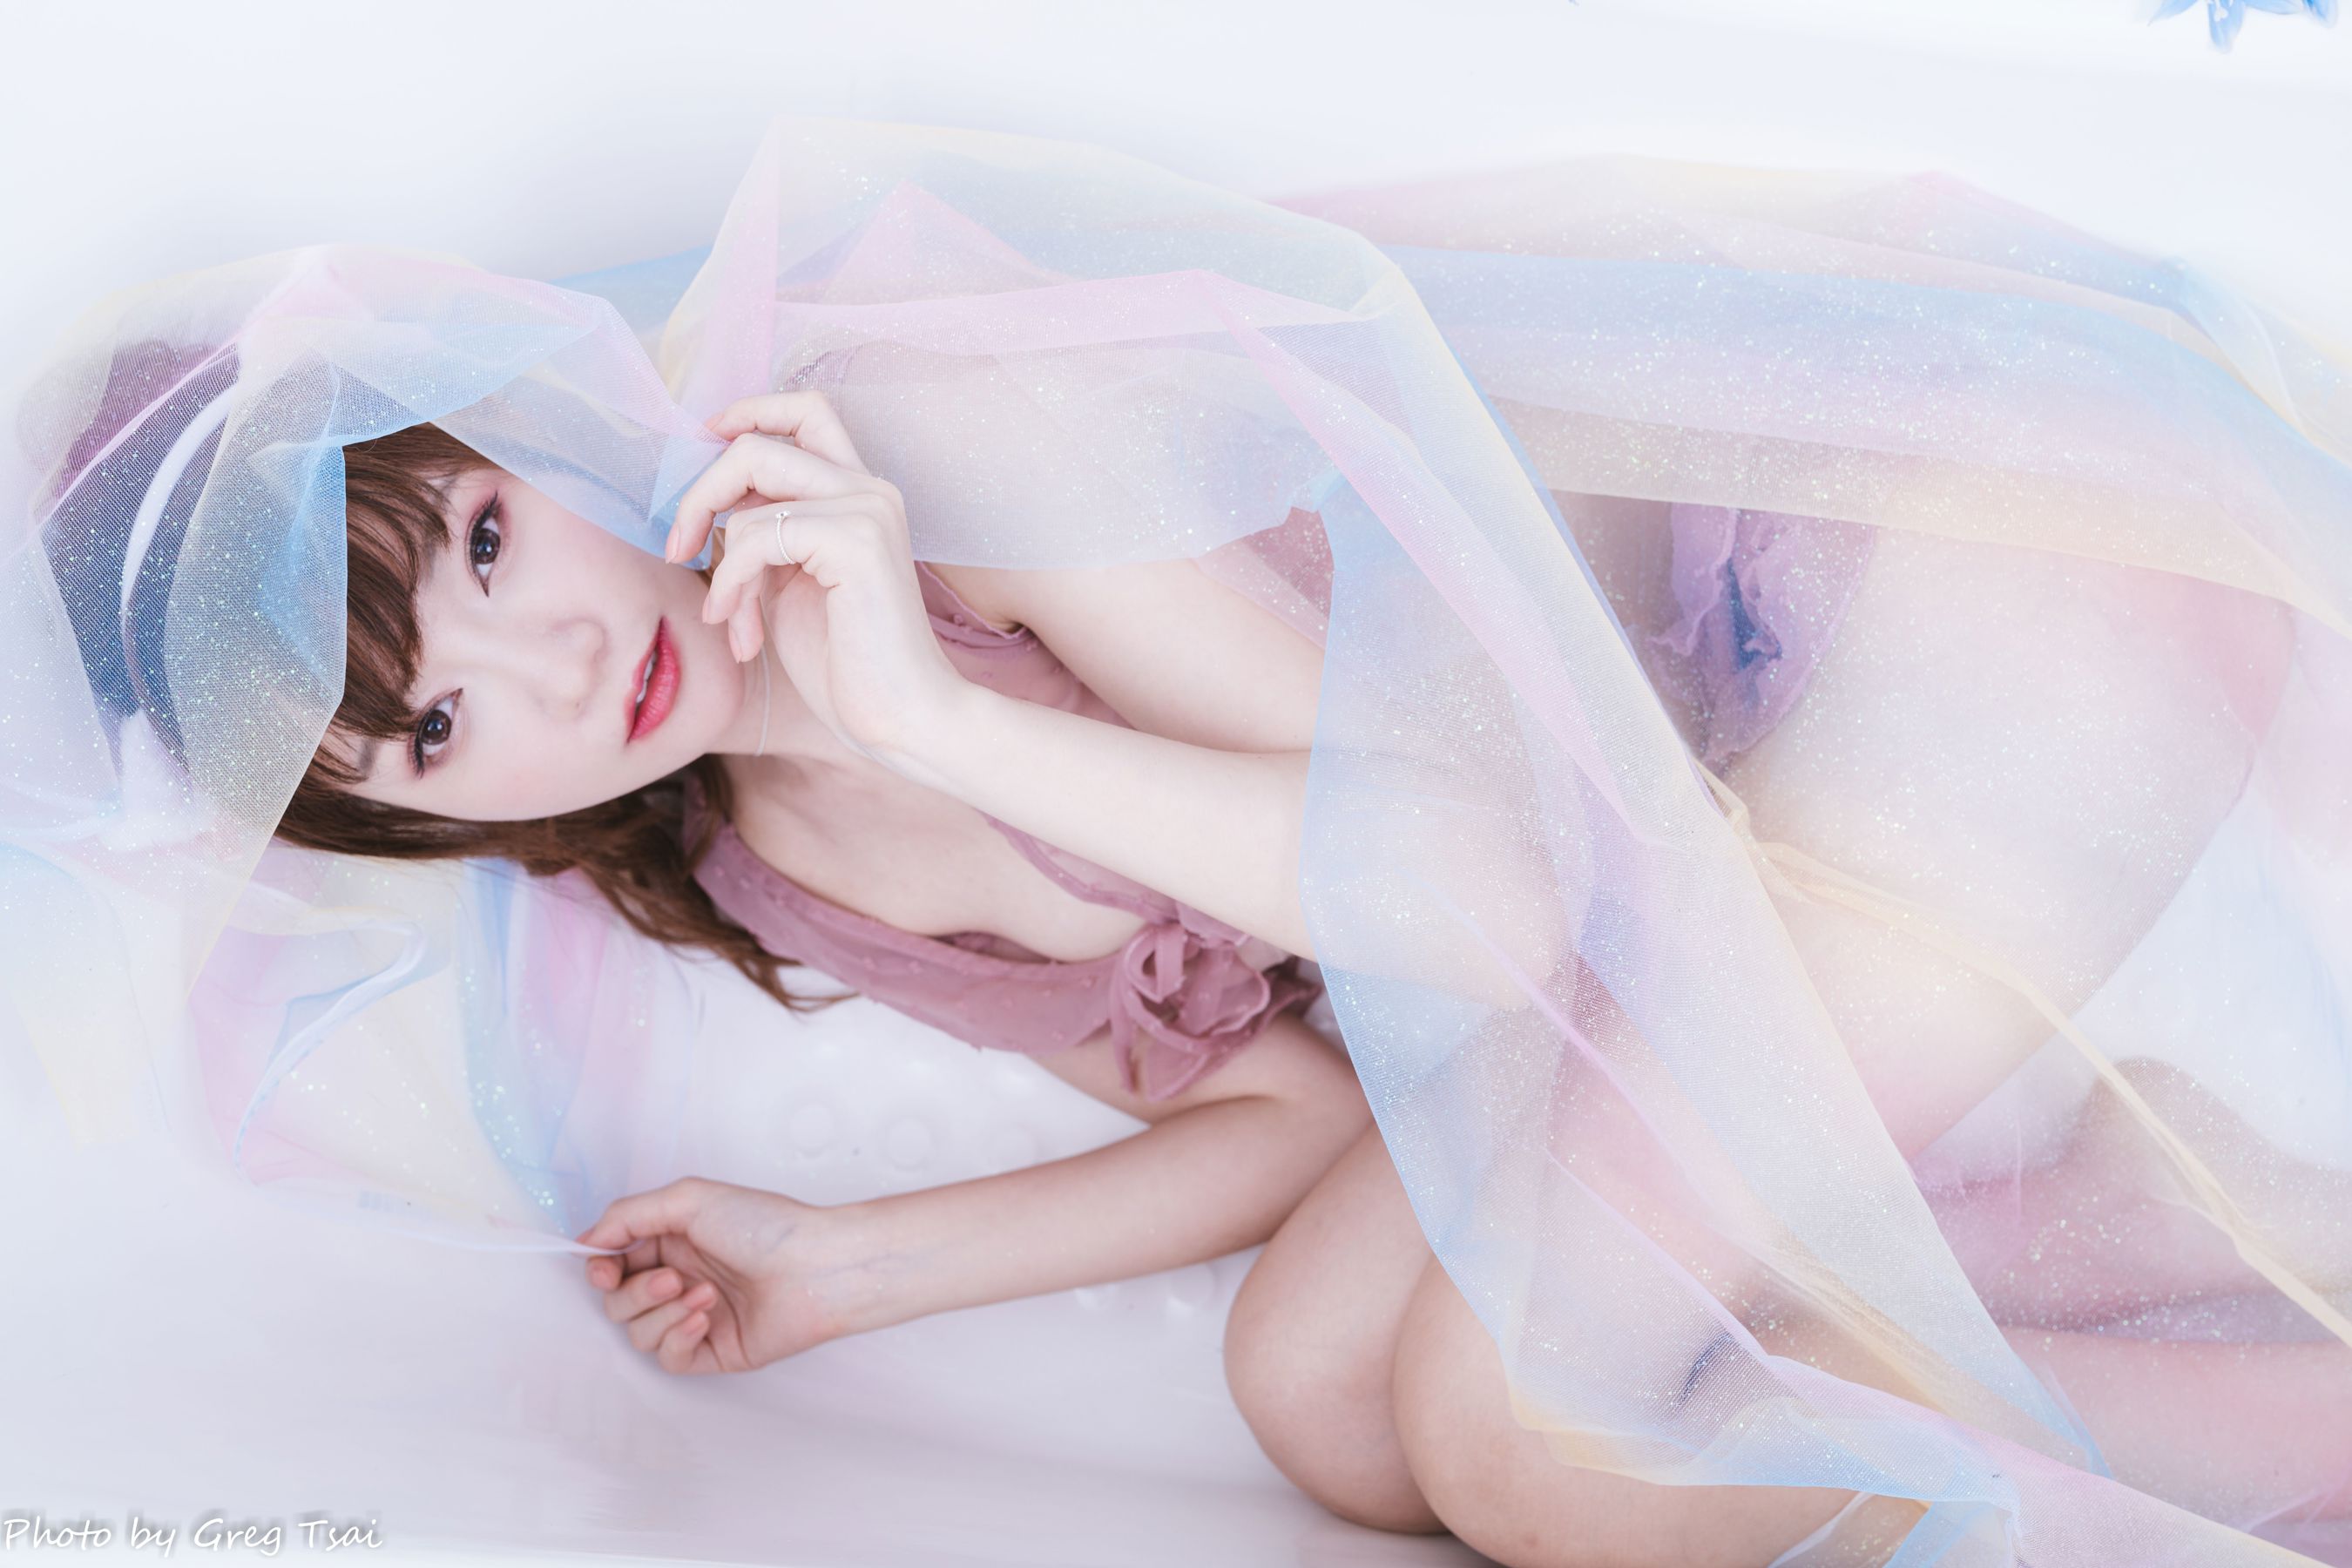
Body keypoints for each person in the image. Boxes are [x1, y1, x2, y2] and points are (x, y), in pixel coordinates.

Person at [10, 115, 2348, 1567]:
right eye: (431, 725)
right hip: (1747, 834)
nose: (548, 668)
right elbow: (1303, 1108)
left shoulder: (916, 435)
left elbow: (1495, 898)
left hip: (1957, 570)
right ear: (417, 828)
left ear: (511, 425)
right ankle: (2141, 1221)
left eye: (487, 540)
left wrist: (936, 708)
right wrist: (840, 1268)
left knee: (1522, 1447)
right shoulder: (767, 863)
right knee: (1320, 1398)